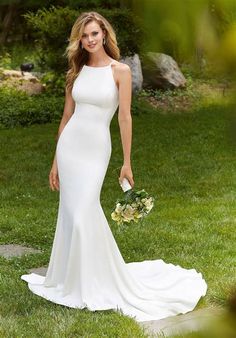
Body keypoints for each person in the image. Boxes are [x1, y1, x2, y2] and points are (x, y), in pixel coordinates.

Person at [21, 11, 207, 322]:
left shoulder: (119, 71)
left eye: (94, 33)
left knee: (83, 212)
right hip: (70, 149)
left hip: (96, 150)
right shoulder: (76, 72)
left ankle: (95, 281)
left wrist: (127, 162)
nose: (90, 39)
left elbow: (124, 117)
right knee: (71, 214)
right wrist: (55, 161)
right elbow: (66, 118)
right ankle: (73, 280)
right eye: (85, 35)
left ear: (104, 34)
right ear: (79, 40)